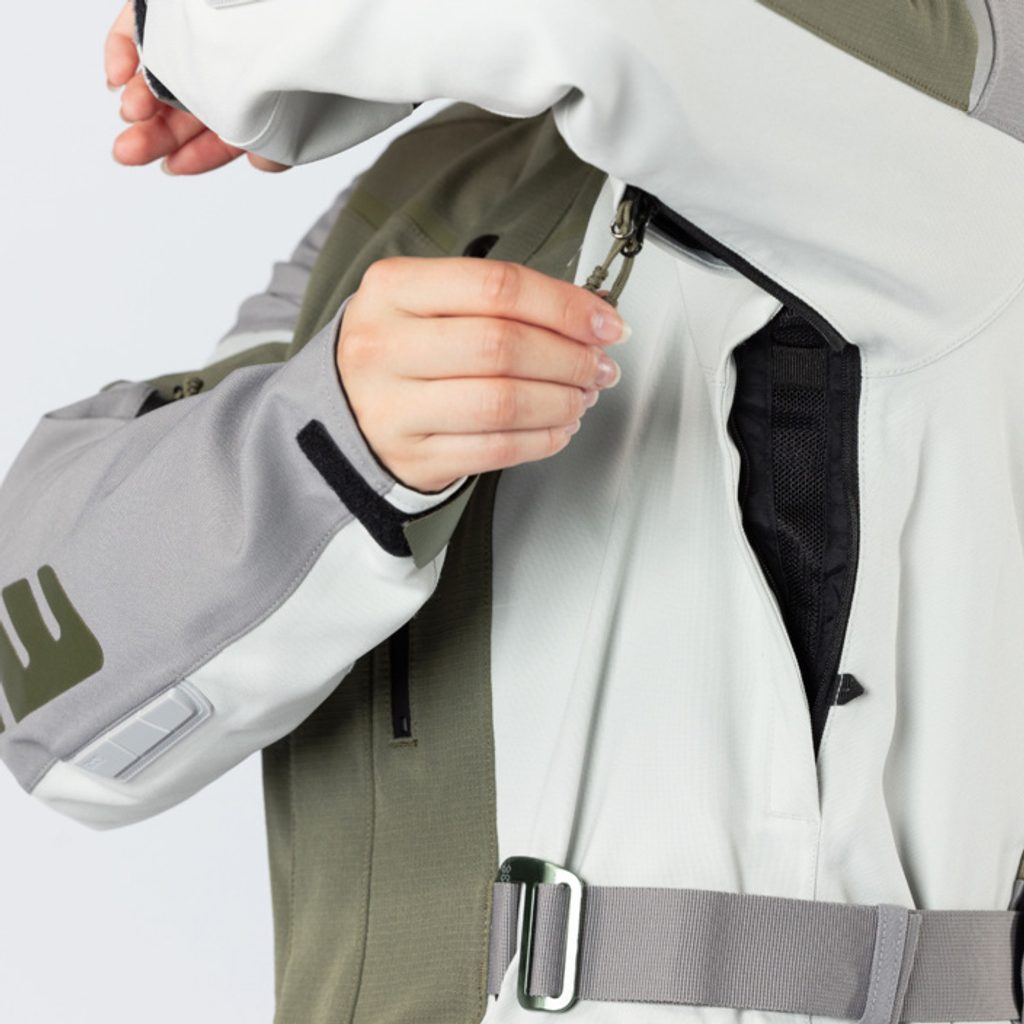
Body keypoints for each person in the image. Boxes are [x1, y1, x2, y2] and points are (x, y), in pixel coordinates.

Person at [3, 1, 1024, 1022]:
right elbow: (42, 689)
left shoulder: (970, 75)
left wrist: (198, 34)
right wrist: (329, 444)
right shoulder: (446, 182)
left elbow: (600, 20)